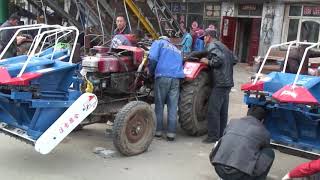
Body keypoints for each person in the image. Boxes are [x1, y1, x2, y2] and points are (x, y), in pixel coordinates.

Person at [210, 106, 275, 180]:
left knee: (223, 140)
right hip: (240, 175)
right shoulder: (264, 132)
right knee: (269, 152)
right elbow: (265, 147)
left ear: (247, 114)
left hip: (219, 169)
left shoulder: (232, 122)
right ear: (262, 120)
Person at [198, 29, 236, 143]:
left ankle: (213, 136)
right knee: (222, 111)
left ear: (208, 37)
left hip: (220, 83)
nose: (203, 40)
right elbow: (235, 59)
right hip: (228, 82)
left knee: (213, 110)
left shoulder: (212, 45)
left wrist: (207, 61)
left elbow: (218, 60)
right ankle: (221, 135)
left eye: (204, 37)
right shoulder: (224, 46)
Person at [148, 36, 185, 141]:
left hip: (163, 76)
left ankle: (158, 132)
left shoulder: (158, 43)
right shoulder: (176, 49)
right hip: (176, 79)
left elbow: (153, 58)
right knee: (172, 107)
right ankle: (171, 134)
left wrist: (151, 72)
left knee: (159, 105)